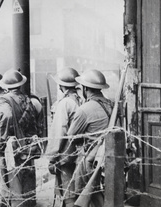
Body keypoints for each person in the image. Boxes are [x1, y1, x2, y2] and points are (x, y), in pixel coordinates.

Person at [0, 69, 41, 207]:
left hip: (13, 148)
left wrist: (1, 139)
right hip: (29, 147)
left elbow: (6, 116)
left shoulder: (4, 99)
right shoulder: (29, 99)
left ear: (6, 86)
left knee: (14, 182)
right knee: (27, 181)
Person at [66, 69, 113, 207]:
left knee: (89, 192)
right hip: (107, 156)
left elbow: (71, 136)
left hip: (90, 158)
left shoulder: (85, 109)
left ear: (86, 88)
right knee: (98, 192)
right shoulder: (110, 105)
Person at [46, 67, 81, 207]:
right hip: (79, 151)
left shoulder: (65, 103)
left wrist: (52, 157)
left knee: (68, 191)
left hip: (66, 153)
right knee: (76, 187)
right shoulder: (80, 99)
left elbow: (59, 131)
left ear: (62, 86)